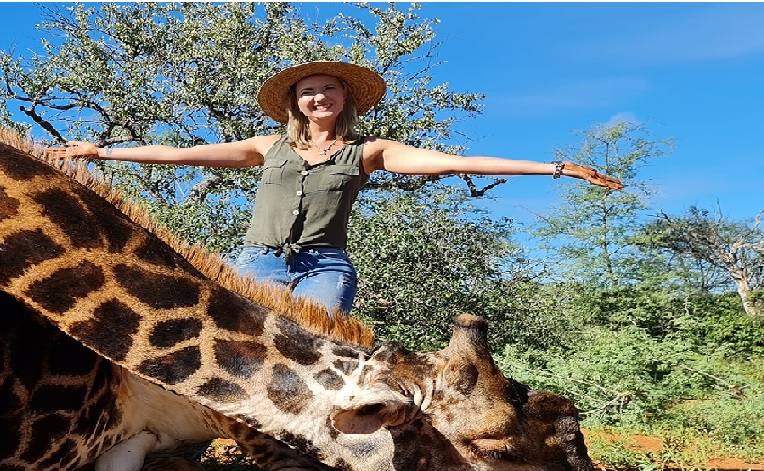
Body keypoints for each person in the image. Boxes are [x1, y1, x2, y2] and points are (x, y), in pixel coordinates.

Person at [45, 61, 623, 315]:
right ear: (295, 102)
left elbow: (454, 162)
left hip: (325, 265)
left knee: (323, 347)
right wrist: (103, 151)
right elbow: (179, 154)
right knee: (245, 344)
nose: (317, 98)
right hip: (257, 261)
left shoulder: (370, 152)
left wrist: (556, 169)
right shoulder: (265, 146)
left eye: (328, 90)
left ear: (344, 98)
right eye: (307, 91)